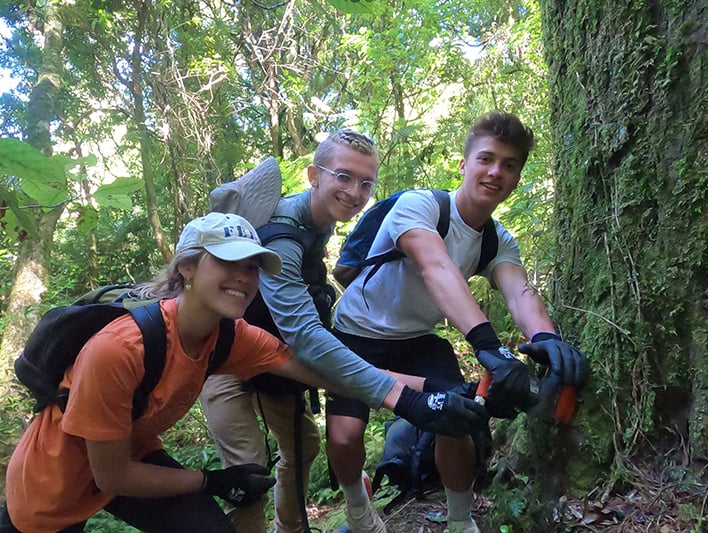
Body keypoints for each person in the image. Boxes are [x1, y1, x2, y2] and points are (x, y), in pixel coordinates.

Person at [199, 130, 488, 533]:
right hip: (225, 358)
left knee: (302, 449)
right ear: (314, 175)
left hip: (273, 362)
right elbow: (306, 335)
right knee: (248, 472)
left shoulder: (318, 222)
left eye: (366, 183)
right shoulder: (283, 235)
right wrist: (408, 399)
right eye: (343, 177)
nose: (355, 192)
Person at [0, 212, 350, 533]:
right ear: (187, 267)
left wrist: (397, 390)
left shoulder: (229, 333)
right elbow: (112, 476)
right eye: (228, 260)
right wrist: (213, 481)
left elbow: (320, 369)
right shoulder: (120, 349)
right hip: (54, 484)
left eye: (253, 265)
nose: (244, 276)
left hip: (132, 455)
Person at [328, 112, 589, 533]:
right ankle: (359, 512)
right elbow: (436, 268)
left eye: (509, 164)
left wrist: (546, 337)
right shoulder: (422, 206)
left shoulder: (497, 239)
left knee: (458, 418)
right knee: (343, 436)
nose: (495, 171)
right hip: (356, 335)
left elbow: (519, 291)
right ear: (464, 165)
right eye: (486, 159)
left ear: (518, 176)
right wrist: (489, 347)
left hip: (418, 339)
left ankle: (460, 522)